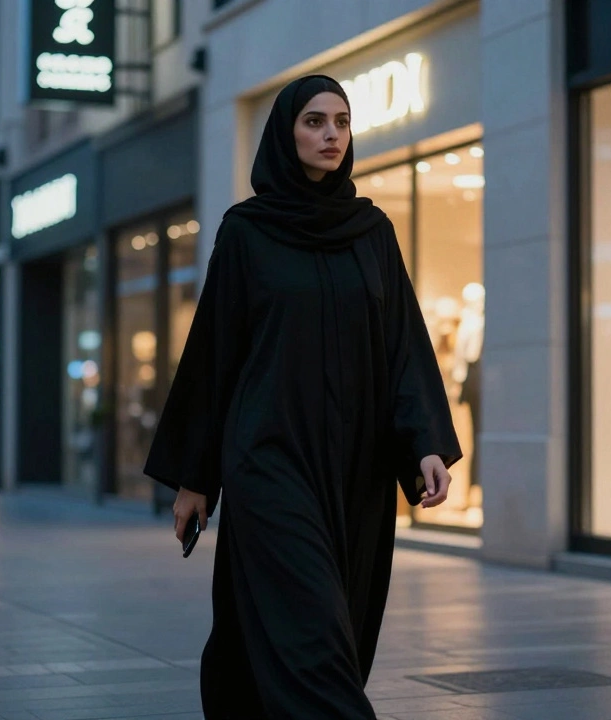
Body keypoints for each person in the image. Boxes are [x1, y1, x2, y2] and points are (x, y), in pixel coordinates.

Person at [144, 76, 461, 719]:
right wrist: (195, 477)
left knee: (335, 631)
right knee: (310, 629)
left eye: (341, 123)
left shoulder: (372, 232)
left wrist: (424, 443)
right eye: (314, 122)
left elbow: (402, 345)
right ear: (286, 134)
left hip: (356, 469)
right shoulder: (246, 232)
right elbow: (214, 354)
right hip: (270, 459)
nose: (331, 136)